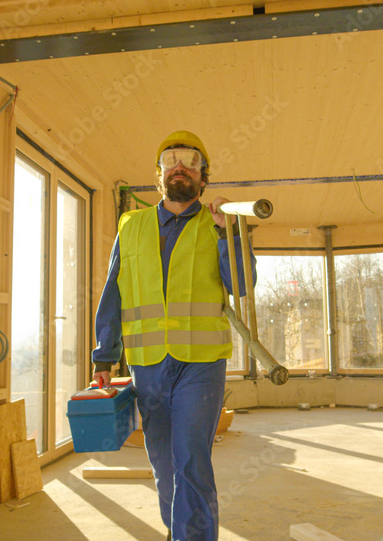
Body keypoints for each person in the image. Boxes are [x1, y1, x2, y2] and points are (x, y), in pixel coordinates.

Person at [91, 130, 255, 541]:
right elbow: (114, 289)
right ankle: (178, 531)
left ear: (204, 178)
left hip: (200, 365)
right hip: (147, 364)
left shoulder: (220, 223)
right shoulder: (132, 225)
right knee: (163, 463)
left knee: (191, 459)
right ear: (159, 173)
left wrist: (225, 232)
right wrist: (103, 356)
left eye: (192, 161)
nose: (180, 166)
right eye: (171, 159)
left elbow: (242, 284)